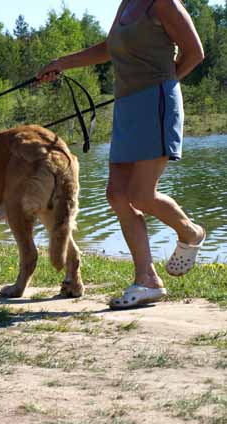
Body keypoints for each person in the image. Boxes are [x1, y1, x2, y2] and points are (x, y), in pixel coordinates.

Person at [37, 0, 206, 309]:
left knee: (142, 196)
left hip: (155, 102)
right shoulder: (127, 4)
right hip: (126, 107)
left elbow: (195, 53)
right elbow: (108, 48)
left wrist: (164, 84)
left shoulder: (164, 3)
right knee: (117, 194)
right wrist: (60, 63)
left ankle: (189, 232)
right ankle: (147, 280)